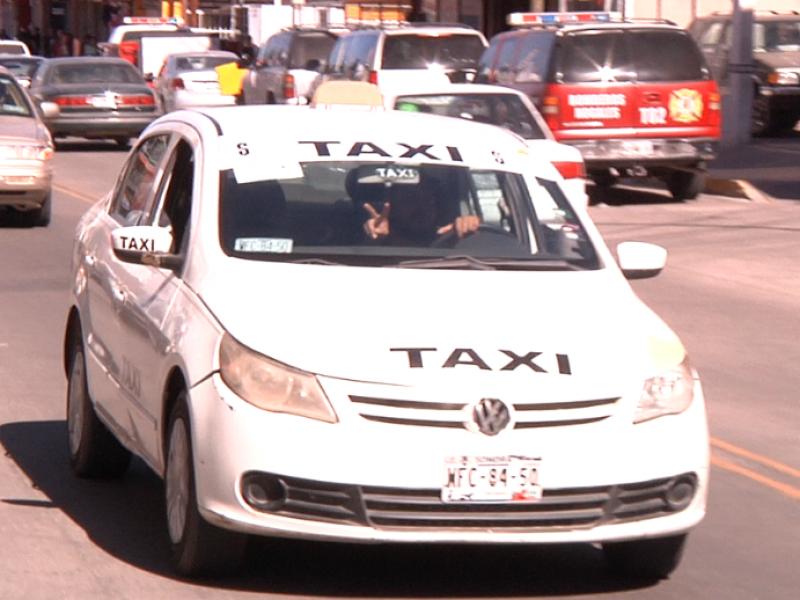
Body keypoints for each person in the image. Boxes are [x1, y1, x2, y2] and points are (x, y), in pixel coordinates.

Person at [352, 170, 480, 246]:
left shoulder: (453, 238)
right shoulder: (383, 241)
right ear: (393, 206)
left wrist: (472, 228)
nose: (420, 207)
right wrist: (374, 241)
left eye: (427, 201)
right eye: (410, 200)